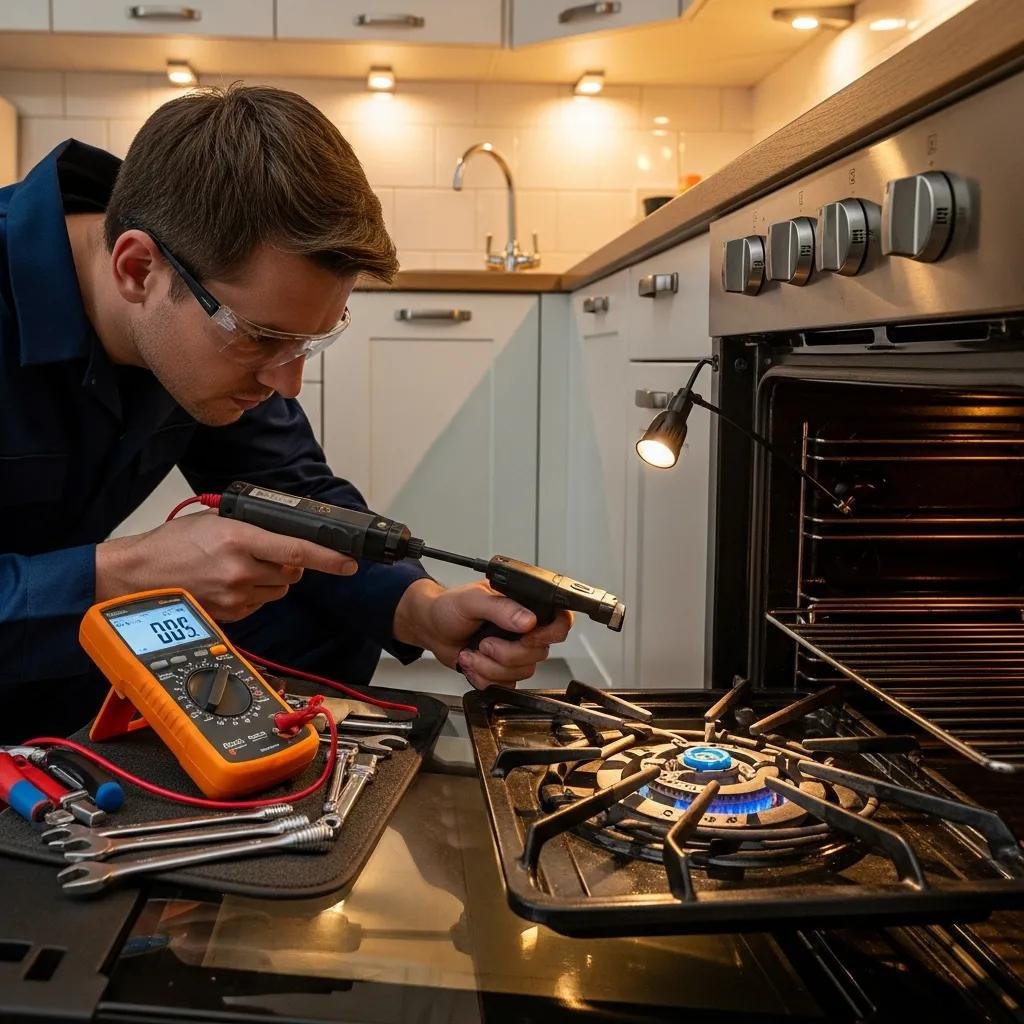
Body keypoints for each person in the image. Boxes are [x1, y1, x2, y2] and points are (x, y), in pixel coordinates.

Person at [0, 85, 572, 743]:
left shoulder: (190, 291)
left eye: (309, 341)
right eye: (263, 337)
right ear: (136, 269)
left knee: (316, 582)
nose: (288, 383)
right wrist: (122, 573)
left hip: (49, 652)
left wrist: (423, 610)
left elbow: (295, 496)